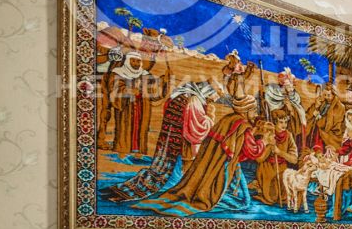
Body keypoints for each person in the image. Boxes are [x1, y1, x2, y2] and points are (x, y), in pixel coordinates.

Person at [134, 101, 263, 217]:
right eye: (254, 110)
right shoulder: (243, 126)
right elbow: (252, 151)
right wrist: (264, 142)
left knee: (221, 188)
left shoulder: (229, 118)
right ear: (246, 110)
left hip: (216, 162)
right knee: (242, 201)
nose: (256, 114)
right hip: (224, 165)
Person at [106, 82, 215, 203]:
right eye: (210, 98)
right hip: (179, 145)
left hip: (167, 142)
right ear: (206, 92)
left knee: (160, 171)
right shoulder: (194, 101)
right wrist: (210, 118)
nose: (210, 101)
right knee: (169, 176)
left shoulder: (180, 95)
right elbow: (197, 127)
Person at [250, 112, 300, 206]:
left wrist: (279, 152)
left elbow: (294, 159)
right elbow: (259, 159)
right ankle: (259, 186)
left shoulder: (288, 135)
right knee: (272, 197)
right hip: (267, 168)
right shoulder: (267, 133)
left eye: (285, 122)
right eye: (281, 122)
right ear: (275, 123)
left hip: (282, 167)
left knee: (286, 195)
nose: (284, 125)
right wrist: (269, 146)